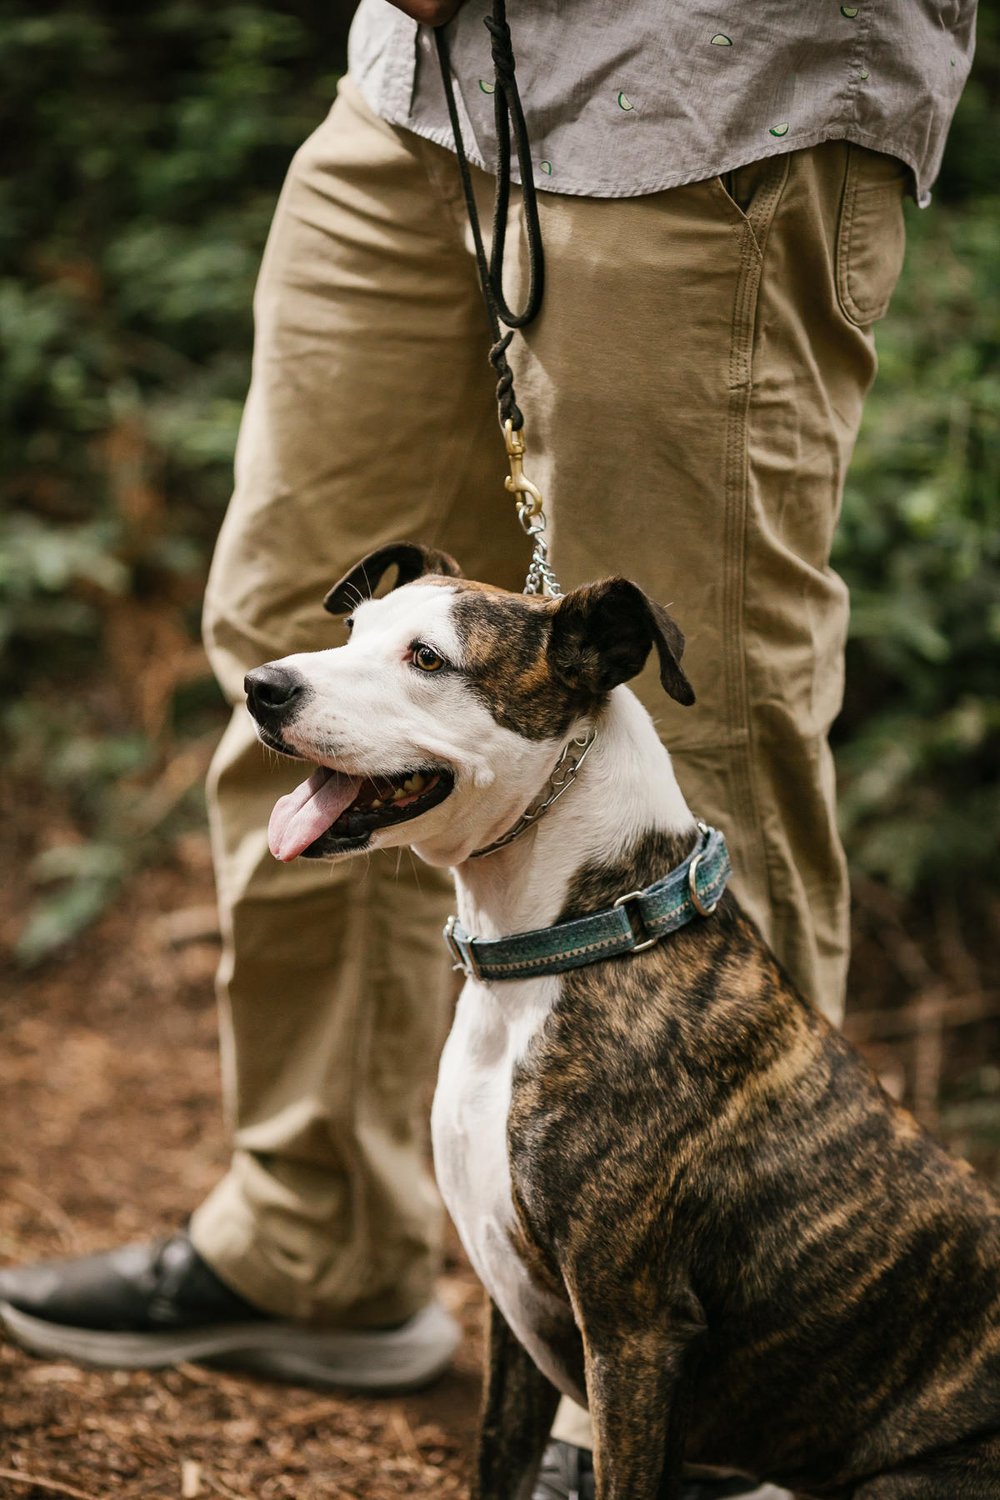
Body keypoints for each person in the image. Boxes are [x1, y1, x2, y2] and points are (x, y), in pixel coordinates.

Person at [0, 2, 976, 1496]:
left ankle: (666, 1380)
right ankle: (317, 1234)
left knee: (701, 715)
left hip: (706, 96)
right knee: (299, 648)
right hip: (417, 92)